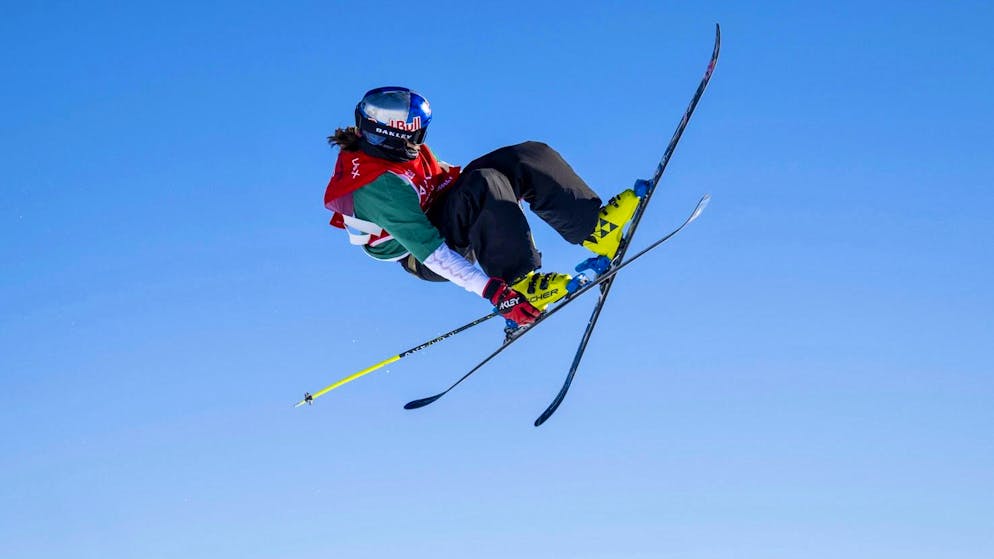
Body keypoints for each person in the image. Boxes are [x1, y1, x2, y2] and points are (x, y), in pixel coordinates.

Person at [324, 86, 639, 326]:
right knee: (484, 184)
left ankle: (594, 228)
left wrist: (505, 191)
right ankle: (521, 284)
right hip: (421, 255)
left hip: (437, 212)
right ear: (390, 136)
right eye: (414, 135)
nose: (419, 142)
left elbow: (445, 181)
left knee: (524, 157)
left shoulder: (397, 153)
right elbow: (430, 251)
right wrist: (494, 292)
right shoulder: (378, 187)